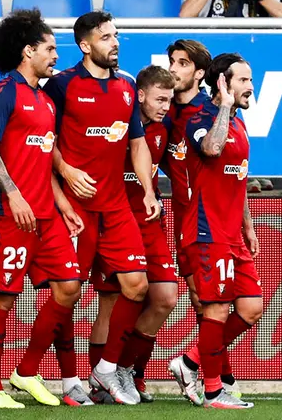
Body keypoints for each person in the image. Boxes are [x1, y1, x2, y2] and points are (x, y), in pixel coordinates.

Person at [0, 9, 93, 409]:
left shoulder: (44, 99)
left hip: (46, 215)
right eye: (50, 48)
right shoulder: (4, 92)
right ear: (28, 51)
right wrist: (13, 194)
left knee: (70, 287)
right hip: (12, 215)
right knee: (3, 299)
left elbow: (45, 160)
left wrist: (62, 205)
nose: (55, 56)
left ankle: (25, 371)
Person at [43, 11, 161, 405]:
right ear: (85, 45)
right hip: (75, 209)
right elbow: (45, 138)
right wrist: (64, 168)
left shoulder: (127, 86)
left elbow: (137, 144)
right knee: (69, 293)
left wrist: (147, 189)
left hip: (116, 208)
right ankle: (67, 377)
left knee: (136, 285)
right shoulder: (61, 85)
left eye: (116, 35)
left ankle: (107, 368)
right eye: (106, 37)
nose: (115, 42)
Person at [176, 53, 264, 409]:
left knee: (252, 307)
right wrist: (225, 106)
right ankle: (213, 390)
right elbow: (211, 149)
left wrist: (249, 227)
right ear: (223, 83)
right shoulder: (199, 120)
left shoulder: (239, 124)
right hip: (207, 230)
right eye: (243, 80)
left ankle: (190, 361)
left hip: (232, 233)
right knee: (216, 310)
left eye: (250, 79)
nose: (251, 87)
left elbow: (239, 178)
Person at [87, 65, 179, 404]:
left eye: (168, 100)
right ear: (139, 95)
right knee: (111, 302)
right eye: (159, 99)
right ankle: (99, 380)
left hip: (150, 222)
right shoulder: (116, 124)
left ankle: (124, 369)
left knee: (166, 297)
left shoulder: (165, 127)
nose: (164, 106)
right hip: (114, 221)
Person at [164, 39, 247, 400]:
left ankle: (205, 369)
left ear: (201, 75)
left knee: (217, 303)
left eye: (182, 63)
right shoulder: (165, 114)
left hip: (218, 223)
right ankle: (216, 380)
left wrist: (247, 225)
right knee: (207, 302)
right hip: (194, 221)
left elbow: (236, 172)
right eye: (172, 62)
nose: (173, 69)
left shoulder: (217, 112)